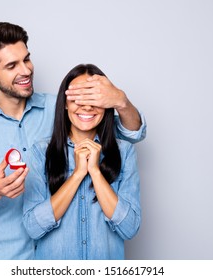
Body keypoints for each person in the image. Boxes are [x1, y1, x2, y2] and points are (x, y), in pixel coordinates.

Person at [0, 22, 146, 260]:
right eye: (11, 65)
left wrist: (121, 101)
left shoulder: (62, 108)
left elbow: (129, 135)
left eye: (26, 59)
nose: (26, 70)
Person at [22, 64, 141, 259]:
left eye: (93, 98)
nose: (86, 106)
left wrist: (94, 171)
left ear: (106, 104)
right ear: (65, 103)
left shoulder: (124, 152)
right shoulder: (41, 152)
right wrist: (77, 174)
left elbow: (129, 228)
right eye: (78, 98)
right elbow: (33, 228)